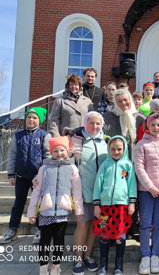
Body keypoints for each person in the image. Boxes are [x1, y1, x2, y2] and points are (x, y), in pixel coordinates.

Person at [27, 136, 83, 275]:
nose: (59, 153)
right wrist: (32, 212)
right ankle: (43, 267)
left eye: (62, 150)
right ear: (51, 152)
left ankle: (56, 266)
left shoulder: (72, 168)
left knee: (59, 241)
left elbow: (76, 190)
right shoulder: (44, 168)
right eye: (55, 151)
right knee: (44, 241)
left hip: (63, 212)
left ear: (67, 151)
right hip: (45, 211)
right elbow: (36, 191)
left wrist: (78, 209)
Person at [0, 108, 51, 245]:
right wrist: (11, 174)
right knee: (18, 204)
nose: (31, 120)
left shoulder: (45, 136)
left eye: (35, 118)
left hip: (37, 178)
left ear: (40, 120)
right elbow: (12, 156)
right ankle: (12, 230)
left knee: (39, 205)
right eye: (29, 117)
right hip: (21, 176)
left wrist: (42, 175)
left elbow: (47, 157)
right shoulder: (18, 136)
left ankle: (39, 229)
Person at [68, 112, 108, 275]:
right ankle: (77, 259)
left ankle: (87, 256)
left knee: (94, 226)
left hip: (101, 192)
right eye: (91, 123)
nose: (95, 126)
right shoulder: (77, 140)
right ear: (85, 123)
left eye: (98, 123)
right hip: (82, 189)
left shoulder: (106, 140)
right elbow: (69, 162)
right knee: (82, 225)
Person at [134, 113, 159, 274]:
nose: (156, 128)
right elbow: (139, 167)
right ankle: (145, 255)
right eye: (153, 125)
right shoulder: (141, 144)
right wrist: (150, 187)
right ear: (147, 127)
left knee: (158, 224)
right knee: (144, 224)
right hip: (146, 191)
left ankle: (155, 255)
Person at [93, 136, 137, 275]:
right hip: (105, 207)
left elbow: (131, 185)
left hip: (122, 207)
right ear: (108, 149)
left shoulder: (128, 165)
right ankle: (103, 263)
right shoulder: (105, 165)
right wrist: (96, 205)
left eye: (119, 149)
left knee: (120, 236)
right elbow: (97, 185)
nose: (116, 152)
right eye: (113, 149)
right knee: (104, 235)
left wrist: (132, 202)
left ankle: (119, 264)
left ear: (124, 149)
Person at [103, 89, 145, 160]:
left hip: (135, 158)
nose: (123, 103)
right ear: (115, 103)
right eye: (119, 101)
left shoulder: (140, 118)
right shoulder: (106, 118)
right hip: (113, 159)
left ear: (130, 100)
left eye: (125, 100)